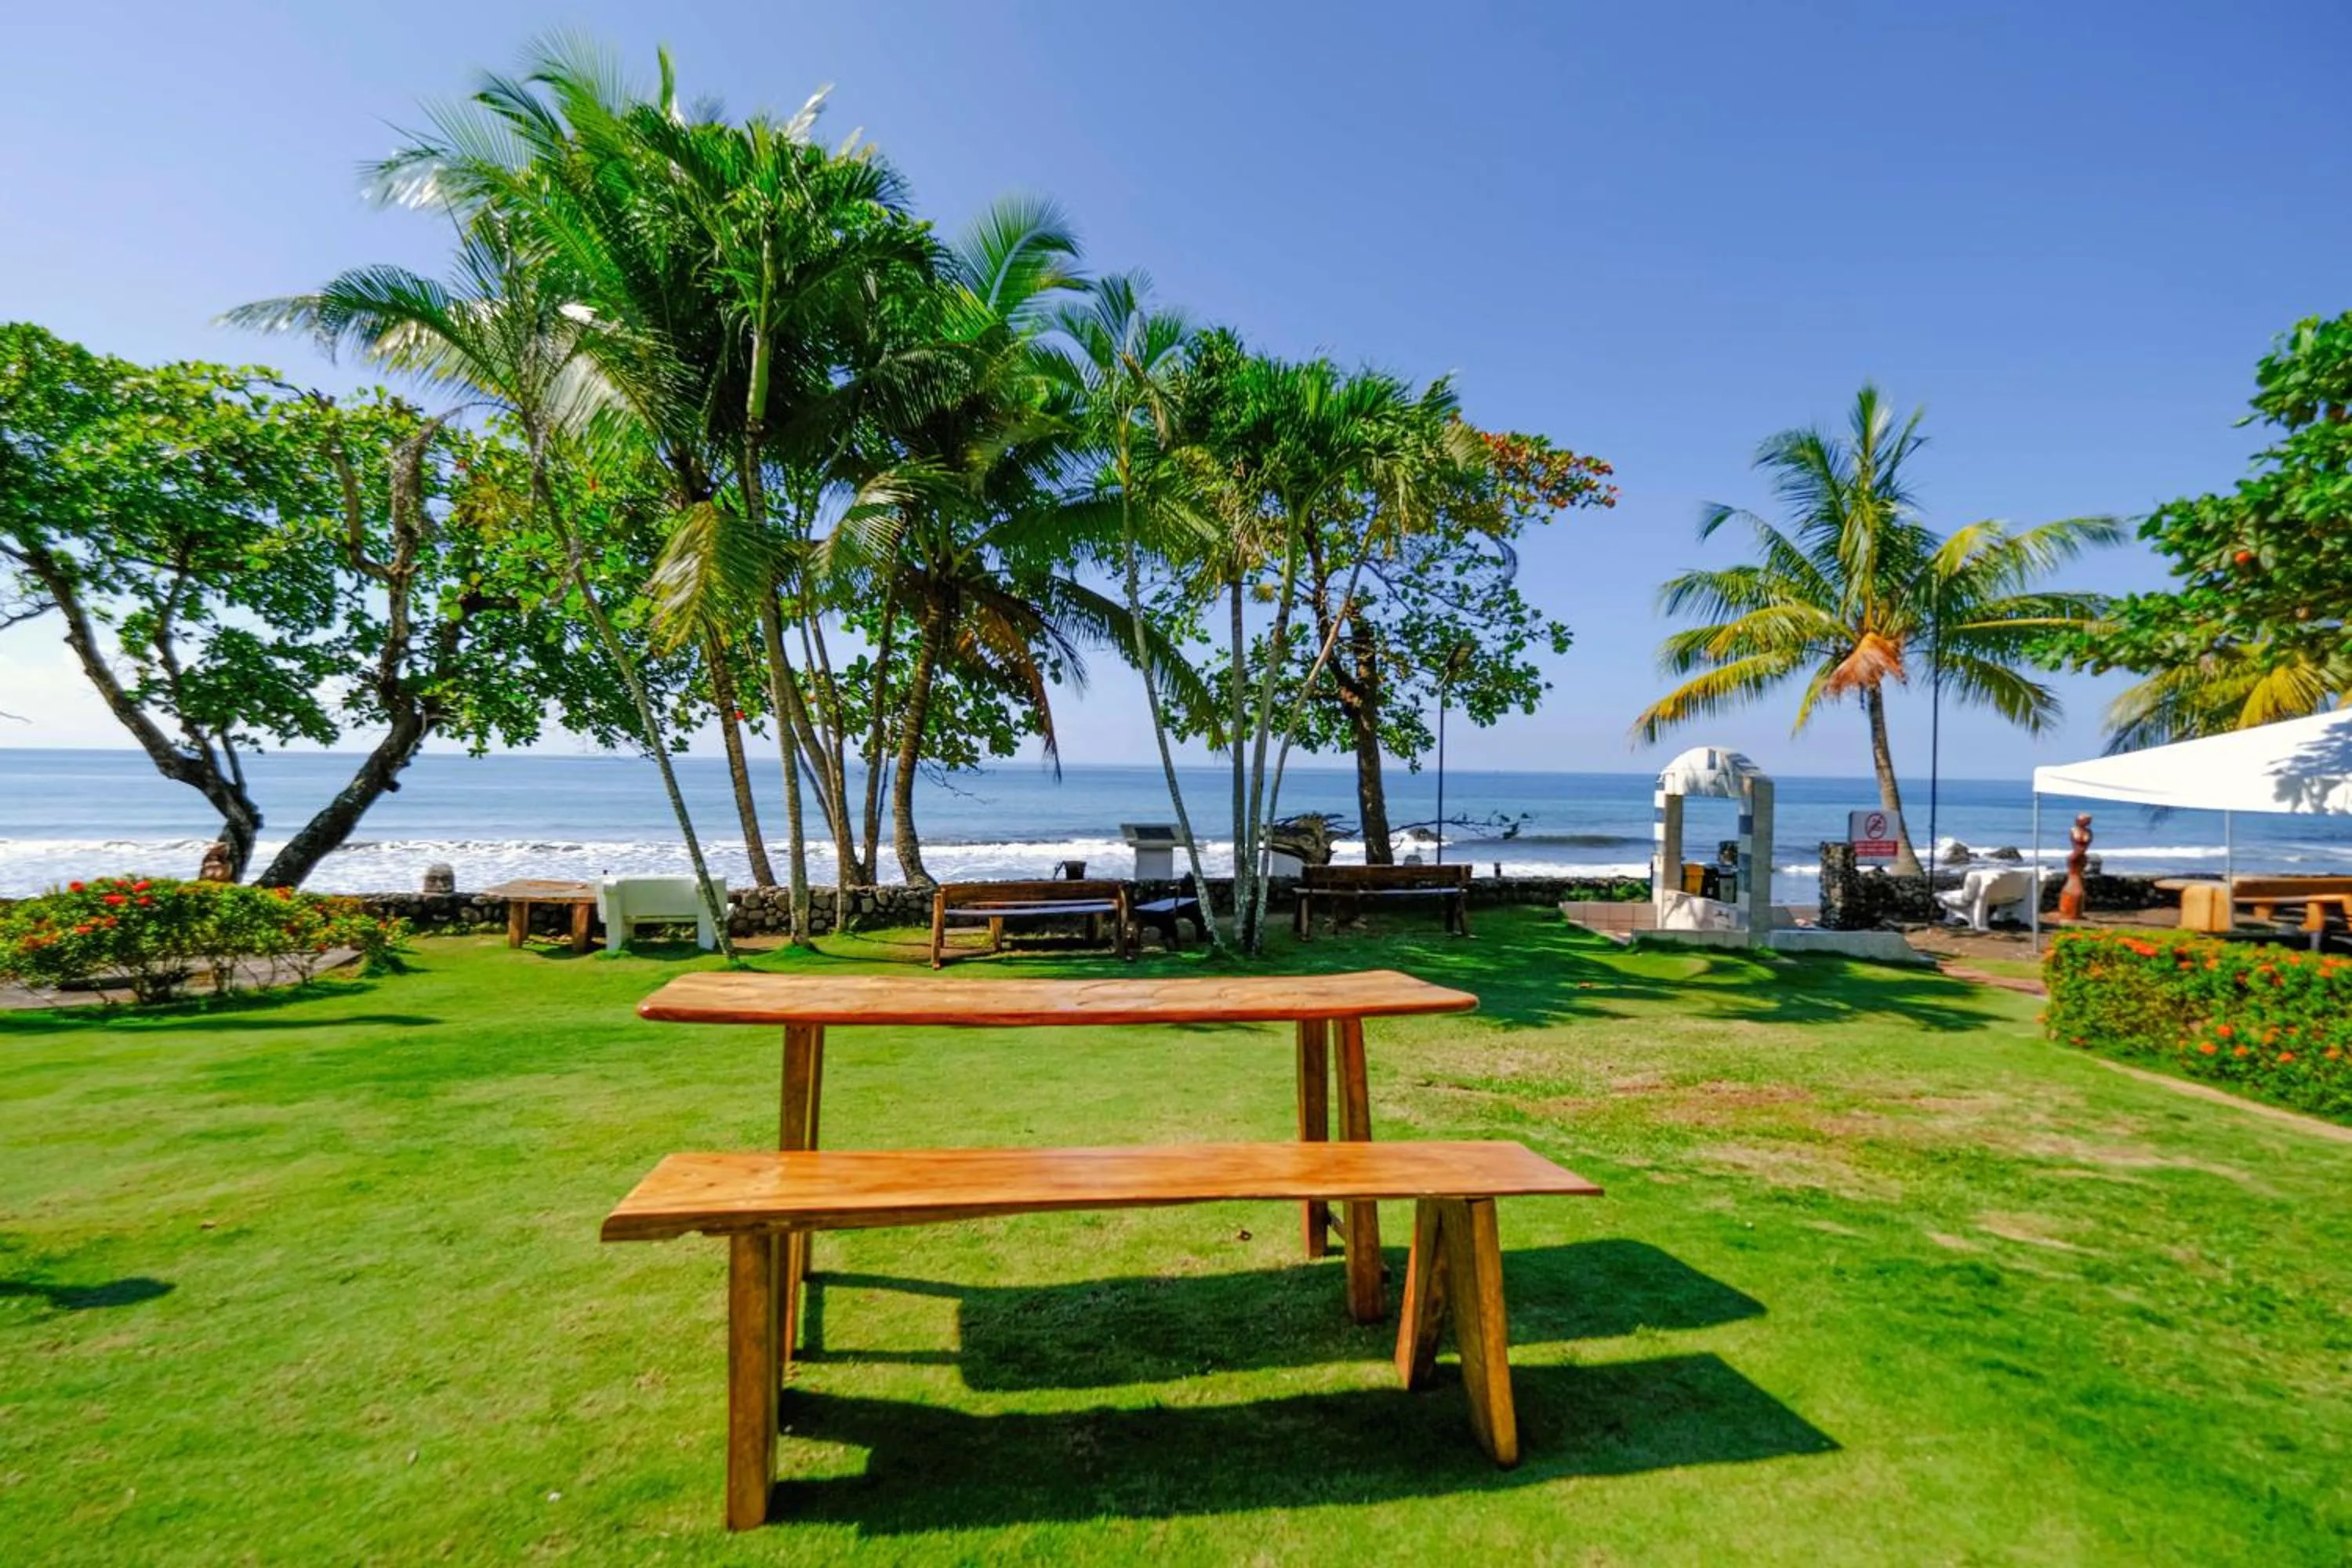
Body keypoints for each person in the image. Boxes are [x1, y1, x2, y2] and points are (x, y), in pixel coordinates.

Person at [2058, 813, 2093, 921]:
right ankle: (2069, 911)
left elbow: (2086, 844)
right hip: (2075, 857)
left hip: (2081, 857)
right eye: (2084, 820)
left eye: (2088, 821)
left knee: (2078, 881)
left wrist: (2081, 852)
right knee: (2073, 880)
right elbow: (2076, 843)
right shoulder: (2074, 830)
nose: (2087, 822)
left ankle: (2074, 911)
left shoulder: (2089, 832)